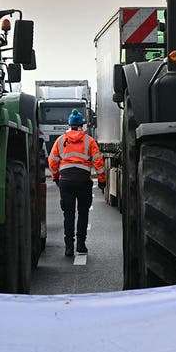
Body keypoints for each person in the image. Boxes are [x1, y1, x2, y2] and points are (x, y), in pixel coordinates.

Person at [48, 109, 105, 256]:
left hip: (65, 181)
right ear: (82, 125)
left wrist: (55, 177)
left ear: (69, 125)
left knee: (68, 214)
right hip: (83, 180)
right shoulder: (89, 140)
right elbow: (98, 161)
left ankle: (68, 247)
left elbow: (52, 161)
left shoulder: (61, 140)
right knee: (83, 213)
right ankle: (81, 244)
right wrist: (102, 180)